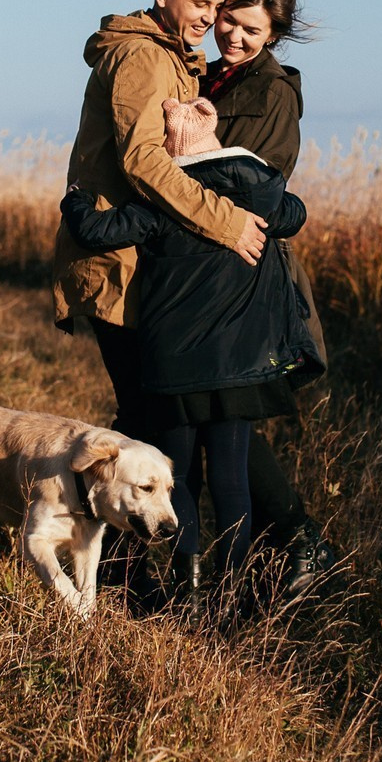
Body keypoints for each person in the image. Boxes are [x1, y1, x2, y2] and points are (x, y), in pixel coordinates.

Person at [52, 0, 267, 598]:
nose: (207, 15)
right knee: (144, 426)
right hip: (115, 263)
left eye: (216, 3)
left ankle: (127, 571)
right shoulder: (145, 59)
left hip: (141, 266)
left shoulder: (178, 56)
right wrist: (227, 220)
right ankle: (127, 575)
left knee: (147, 424)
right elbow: (146, 162)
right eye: (198, 0)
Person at [60, 97, 319, 589]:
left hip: (174, 367)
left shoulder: (166, 201)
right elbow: (296, 214)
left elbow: (94, 231)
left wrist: (76, 193)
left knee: (178, 480)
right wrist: (261, 187)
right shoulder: (258, 195)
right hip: (240, 365)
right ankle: (232, 592)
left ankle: (190, 588)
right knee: (231, 479)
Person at [202, 0, 338, 592]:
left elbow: (259, 182)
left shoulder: (272, 92)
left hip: (241, 264)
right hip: (206, 262)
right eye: (231, 18)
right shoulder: (213, 75)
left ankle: (297, 539)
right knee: (210, 413)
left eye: (253, 29)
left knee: (219, 412)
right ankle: (277, 543)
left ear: (273, 37)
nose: (235, 34)